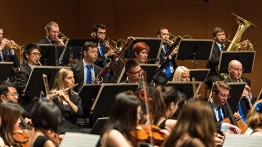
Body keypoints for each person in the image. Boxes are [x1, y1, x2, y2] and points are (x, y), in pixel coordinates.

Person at [50, 68, 83, 133]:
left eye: (73, 77)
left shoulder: (75, 96)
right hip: (58, 129)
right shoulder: (53, 95)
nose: (73, 80)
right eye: (69, 78)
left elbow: (80, 113)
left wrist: (68, 100)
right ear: (61, 80)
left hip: (73, 128)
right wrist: (48, 101)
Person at [15, 43, 41, 112]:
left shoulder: (40, 70)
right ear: (27, 55)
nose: (38, 57)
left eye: (39, 54)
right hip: (28, 105)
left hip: (37, 102)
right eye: (35, 54)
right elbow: (24, 91)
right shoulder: (23, 71)